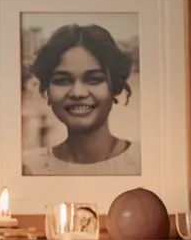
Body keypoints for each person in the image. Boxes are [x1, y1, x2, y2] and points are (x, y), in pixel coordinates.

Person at [22, 23, 141, 175]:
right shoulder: (29, 168)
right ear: (47, 91)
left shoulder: (145, 163)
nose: (78, 93)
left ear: (115, 88)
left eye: (94, 79)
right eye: (63, 80)